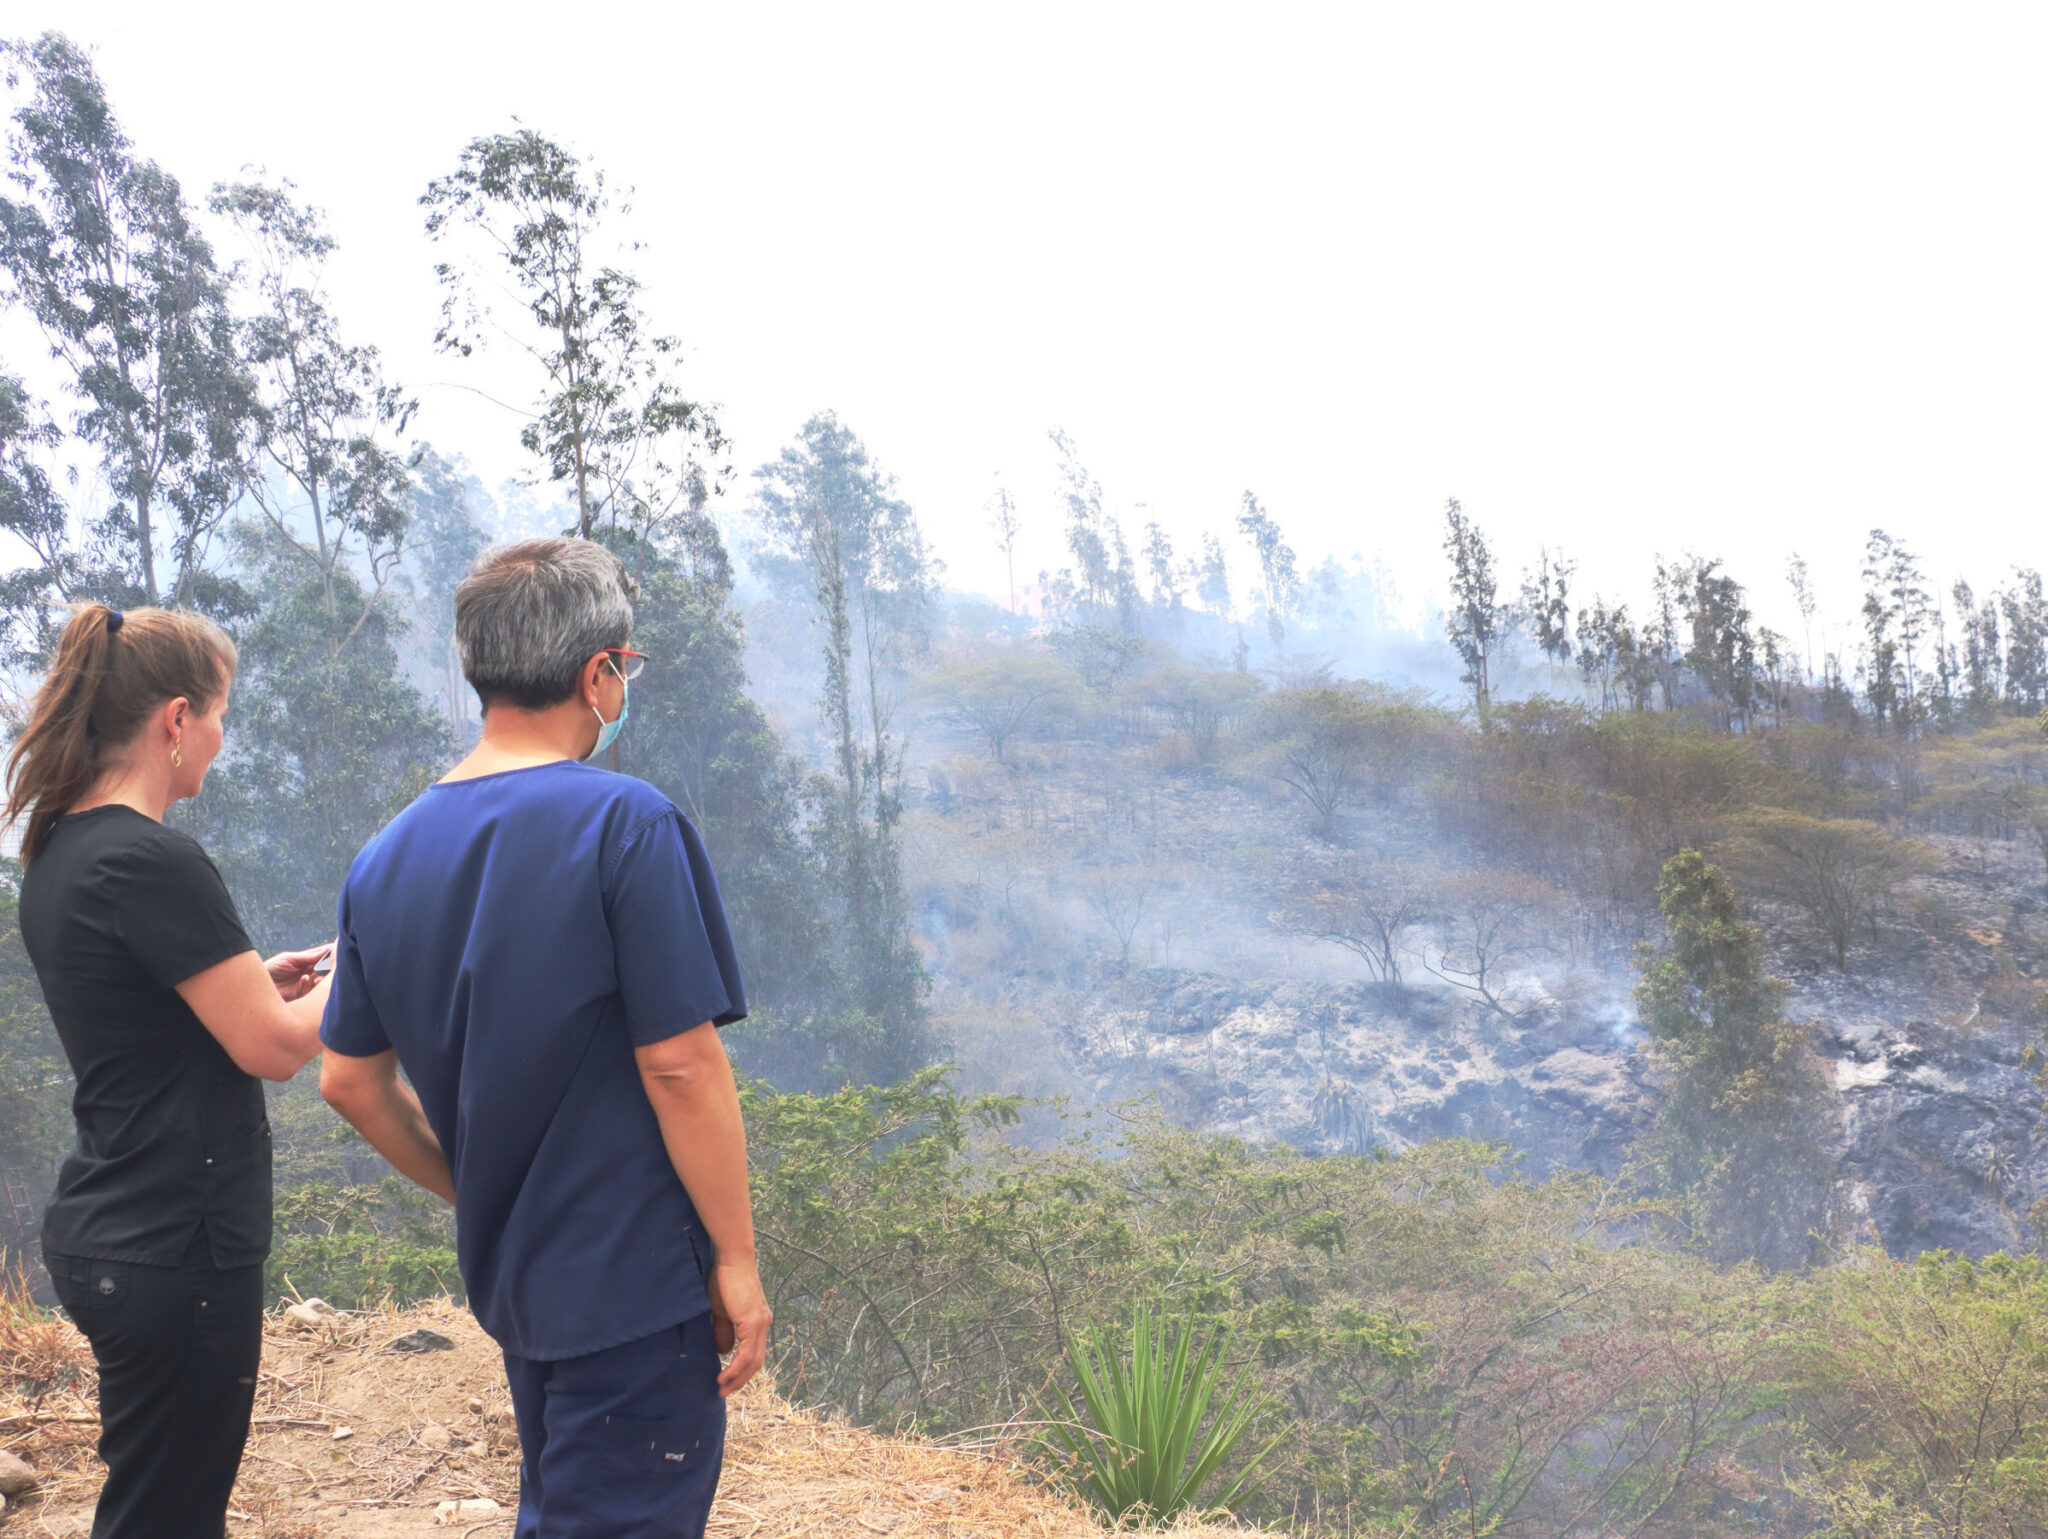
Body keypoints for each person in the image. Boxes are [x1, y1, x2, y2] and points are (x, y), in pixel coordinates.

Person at [318, 537, 771, 1539]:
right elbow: (679, 1062)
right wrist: (735, 1259)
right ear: (596, 673)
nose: (623, 684)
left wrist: (479, 1183)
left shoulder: (384, 859)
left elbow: (349, 1081)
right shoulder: (625, 824)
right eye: (627, 666)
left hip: (519, 1279)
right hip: (634, 1281)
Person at [4, 604, 336, 1539]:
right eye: (221, 717)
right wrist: (370, 974)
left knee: (158, 1497)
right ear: (177, 719)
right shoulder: (155, 860)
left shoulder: (62, 848)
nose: (221, 742)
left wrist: (251, 983)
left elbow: (132, 1010)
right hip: (174, 1243)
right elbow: (273, 1048)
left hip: (112, 1224)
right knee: (170, 1516)